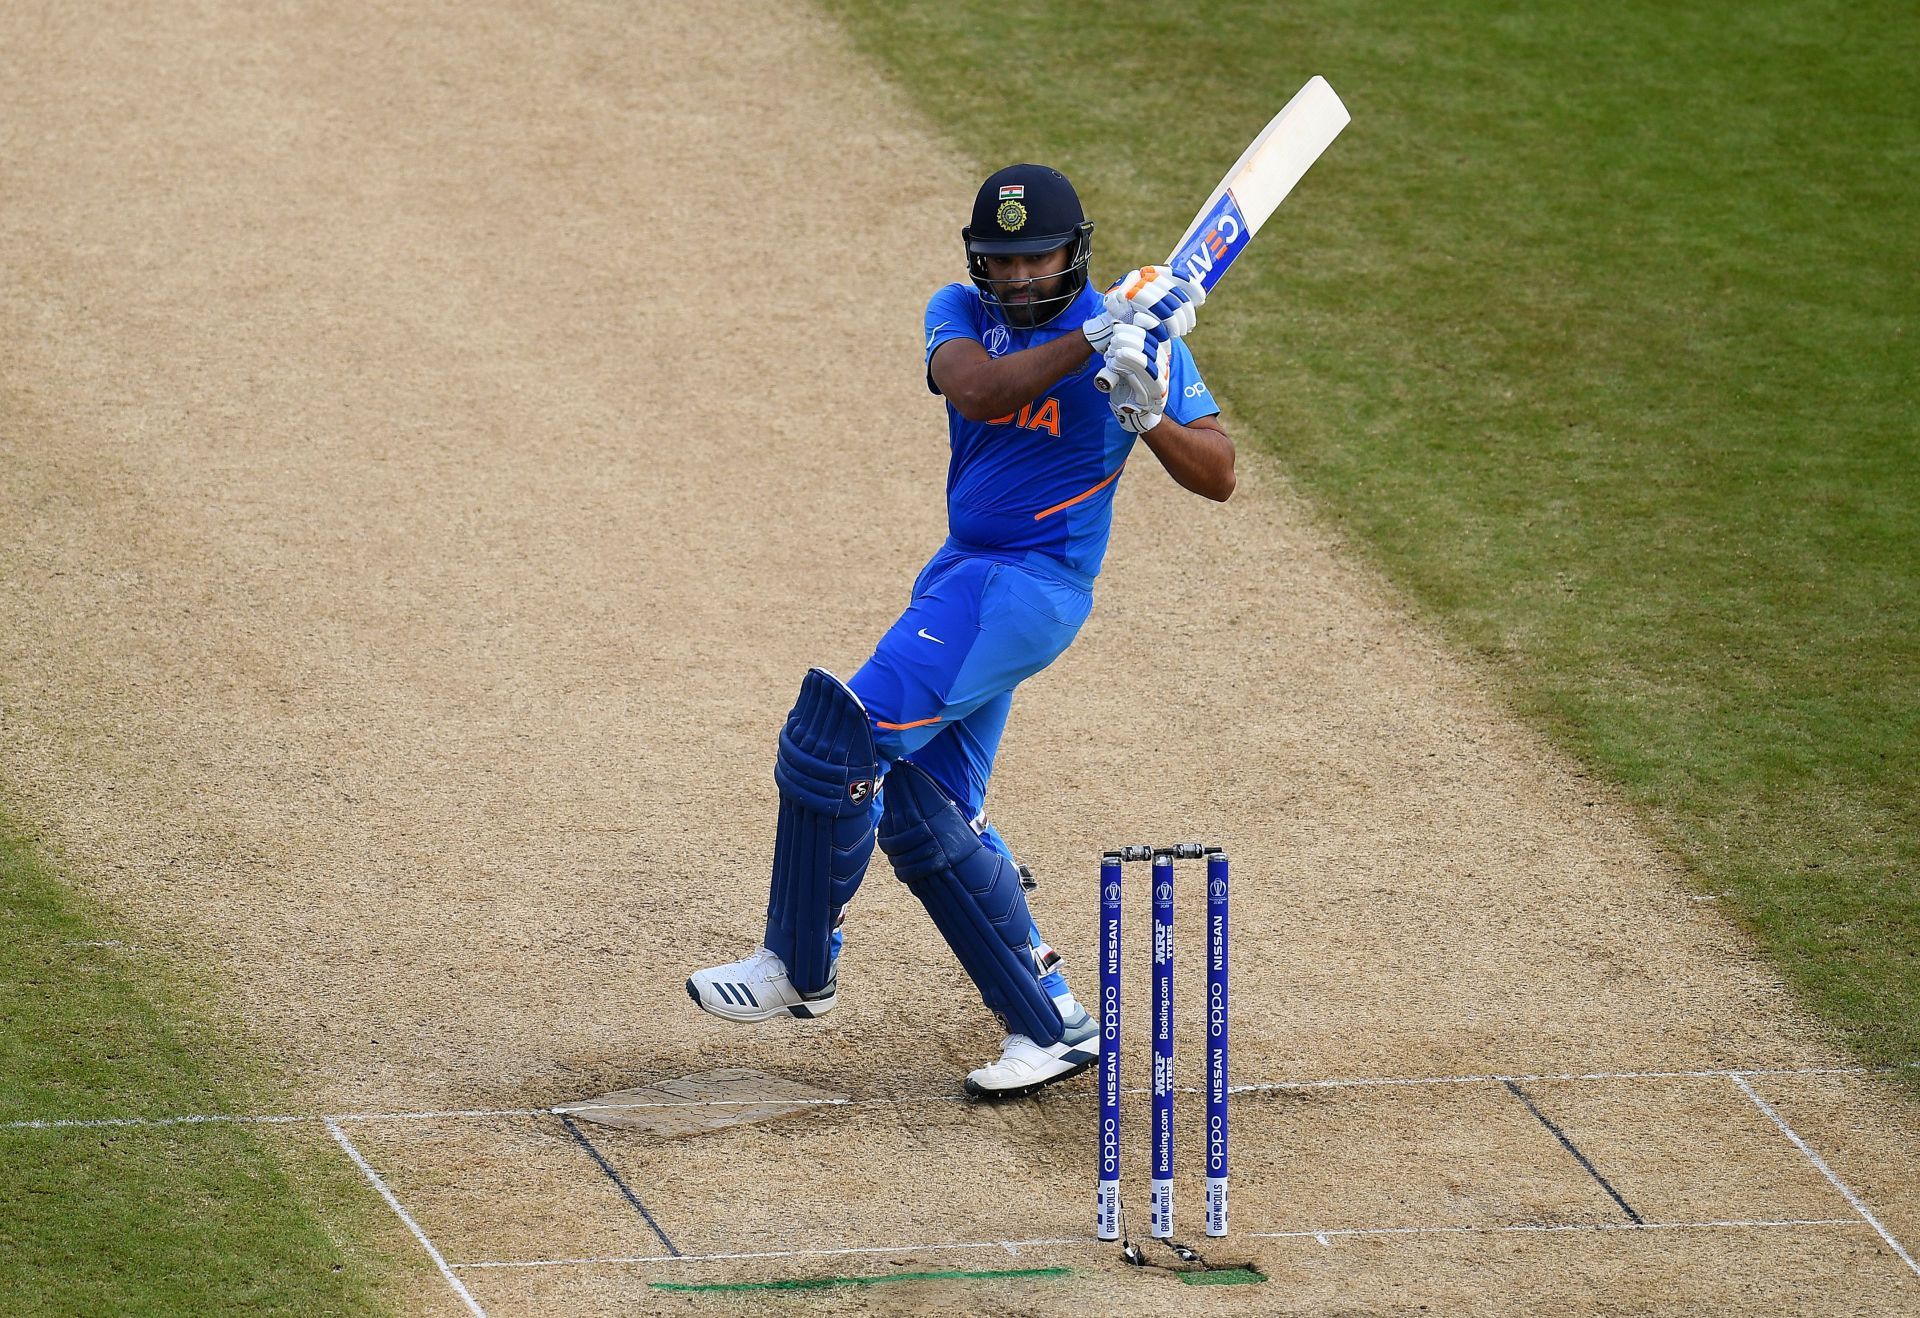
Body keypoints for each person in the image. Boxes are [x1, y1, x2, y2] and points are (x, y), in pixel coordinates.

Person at [687, 163, 1234, 1098]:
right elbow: (975, 391)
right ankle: (1051, 1023)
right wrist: (1091, 342)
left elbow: (1218, 472)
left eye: (1038, 258)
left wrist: (1144, 412)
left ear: (1075, 252)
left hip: (1027, 587)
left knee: (837, 740)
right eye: (1002, 260)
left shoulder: (1142, 341)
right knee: (926, 807)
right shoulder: (965, 312)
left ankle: (796, 964)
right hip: (961, 571)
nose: (1019, 277)